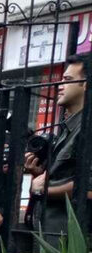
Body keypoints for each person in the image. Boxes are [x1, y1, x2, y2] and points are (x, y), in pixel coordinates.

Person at [31, 55, 90, 243]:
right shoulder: (69, 126)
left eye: (68, 80)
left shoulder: (87, 127)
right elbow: (64, 174)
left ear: (86, 85)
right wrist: (39, 173)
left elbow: (87, 188)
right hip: (51, 235)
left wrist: (43, 189)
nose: (61, 86)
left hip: (71, 241)